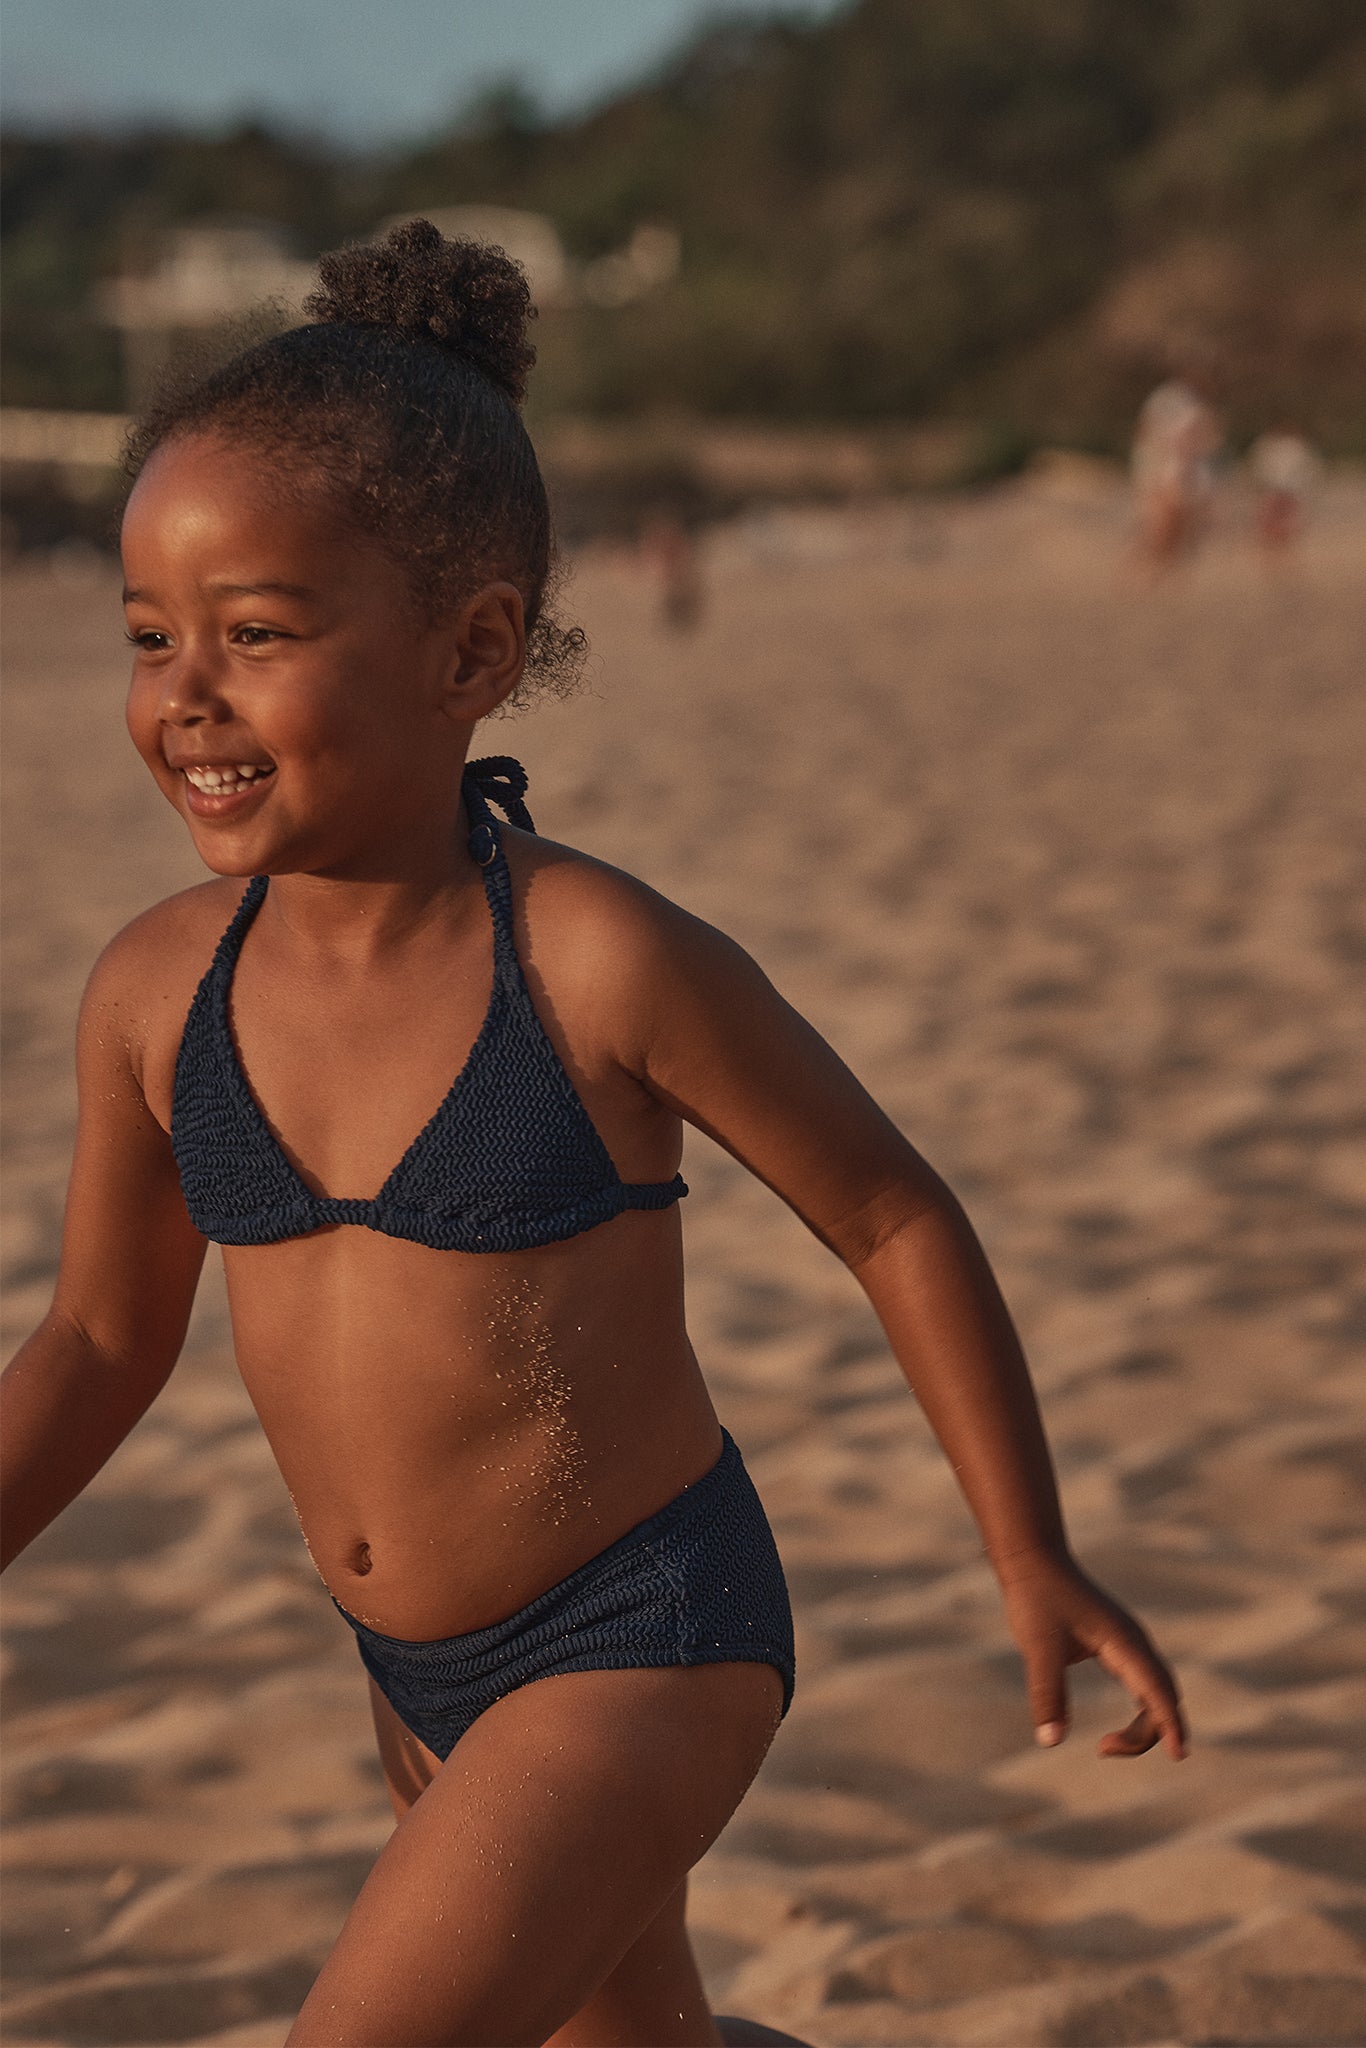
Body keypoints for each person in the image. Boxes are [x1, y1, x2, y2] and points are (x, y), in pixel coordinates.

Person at [0, 221, 1185, 2048]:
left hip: (638, 1632)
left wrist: (1027, 1546)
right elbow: (95, 1339)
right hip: (409, 1673)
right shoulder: (156, 994)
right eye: (151, 637)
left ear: (470, 648)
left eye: (259, 635)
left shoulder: (593, 957)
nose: (187, 697)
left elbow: (889, 1213)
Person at [1130, 372, 1221, 571]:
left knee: (1178, 518)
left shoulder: (1193, 406)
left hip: (1180, 467)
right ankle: (1148, 564)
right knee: (1162, 520)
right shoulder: (1173, 400)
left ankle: (1163, 564)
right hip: (1167, 465)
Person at [1247, 426, 1319, 561]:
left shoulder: (1294, 446)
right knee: (1272, 522)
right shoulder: (1268, 445)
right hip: (1275, 487)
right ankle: (1273, 552)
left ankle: (1282, 551)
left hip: (1288, 489)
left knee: (1286, 522)